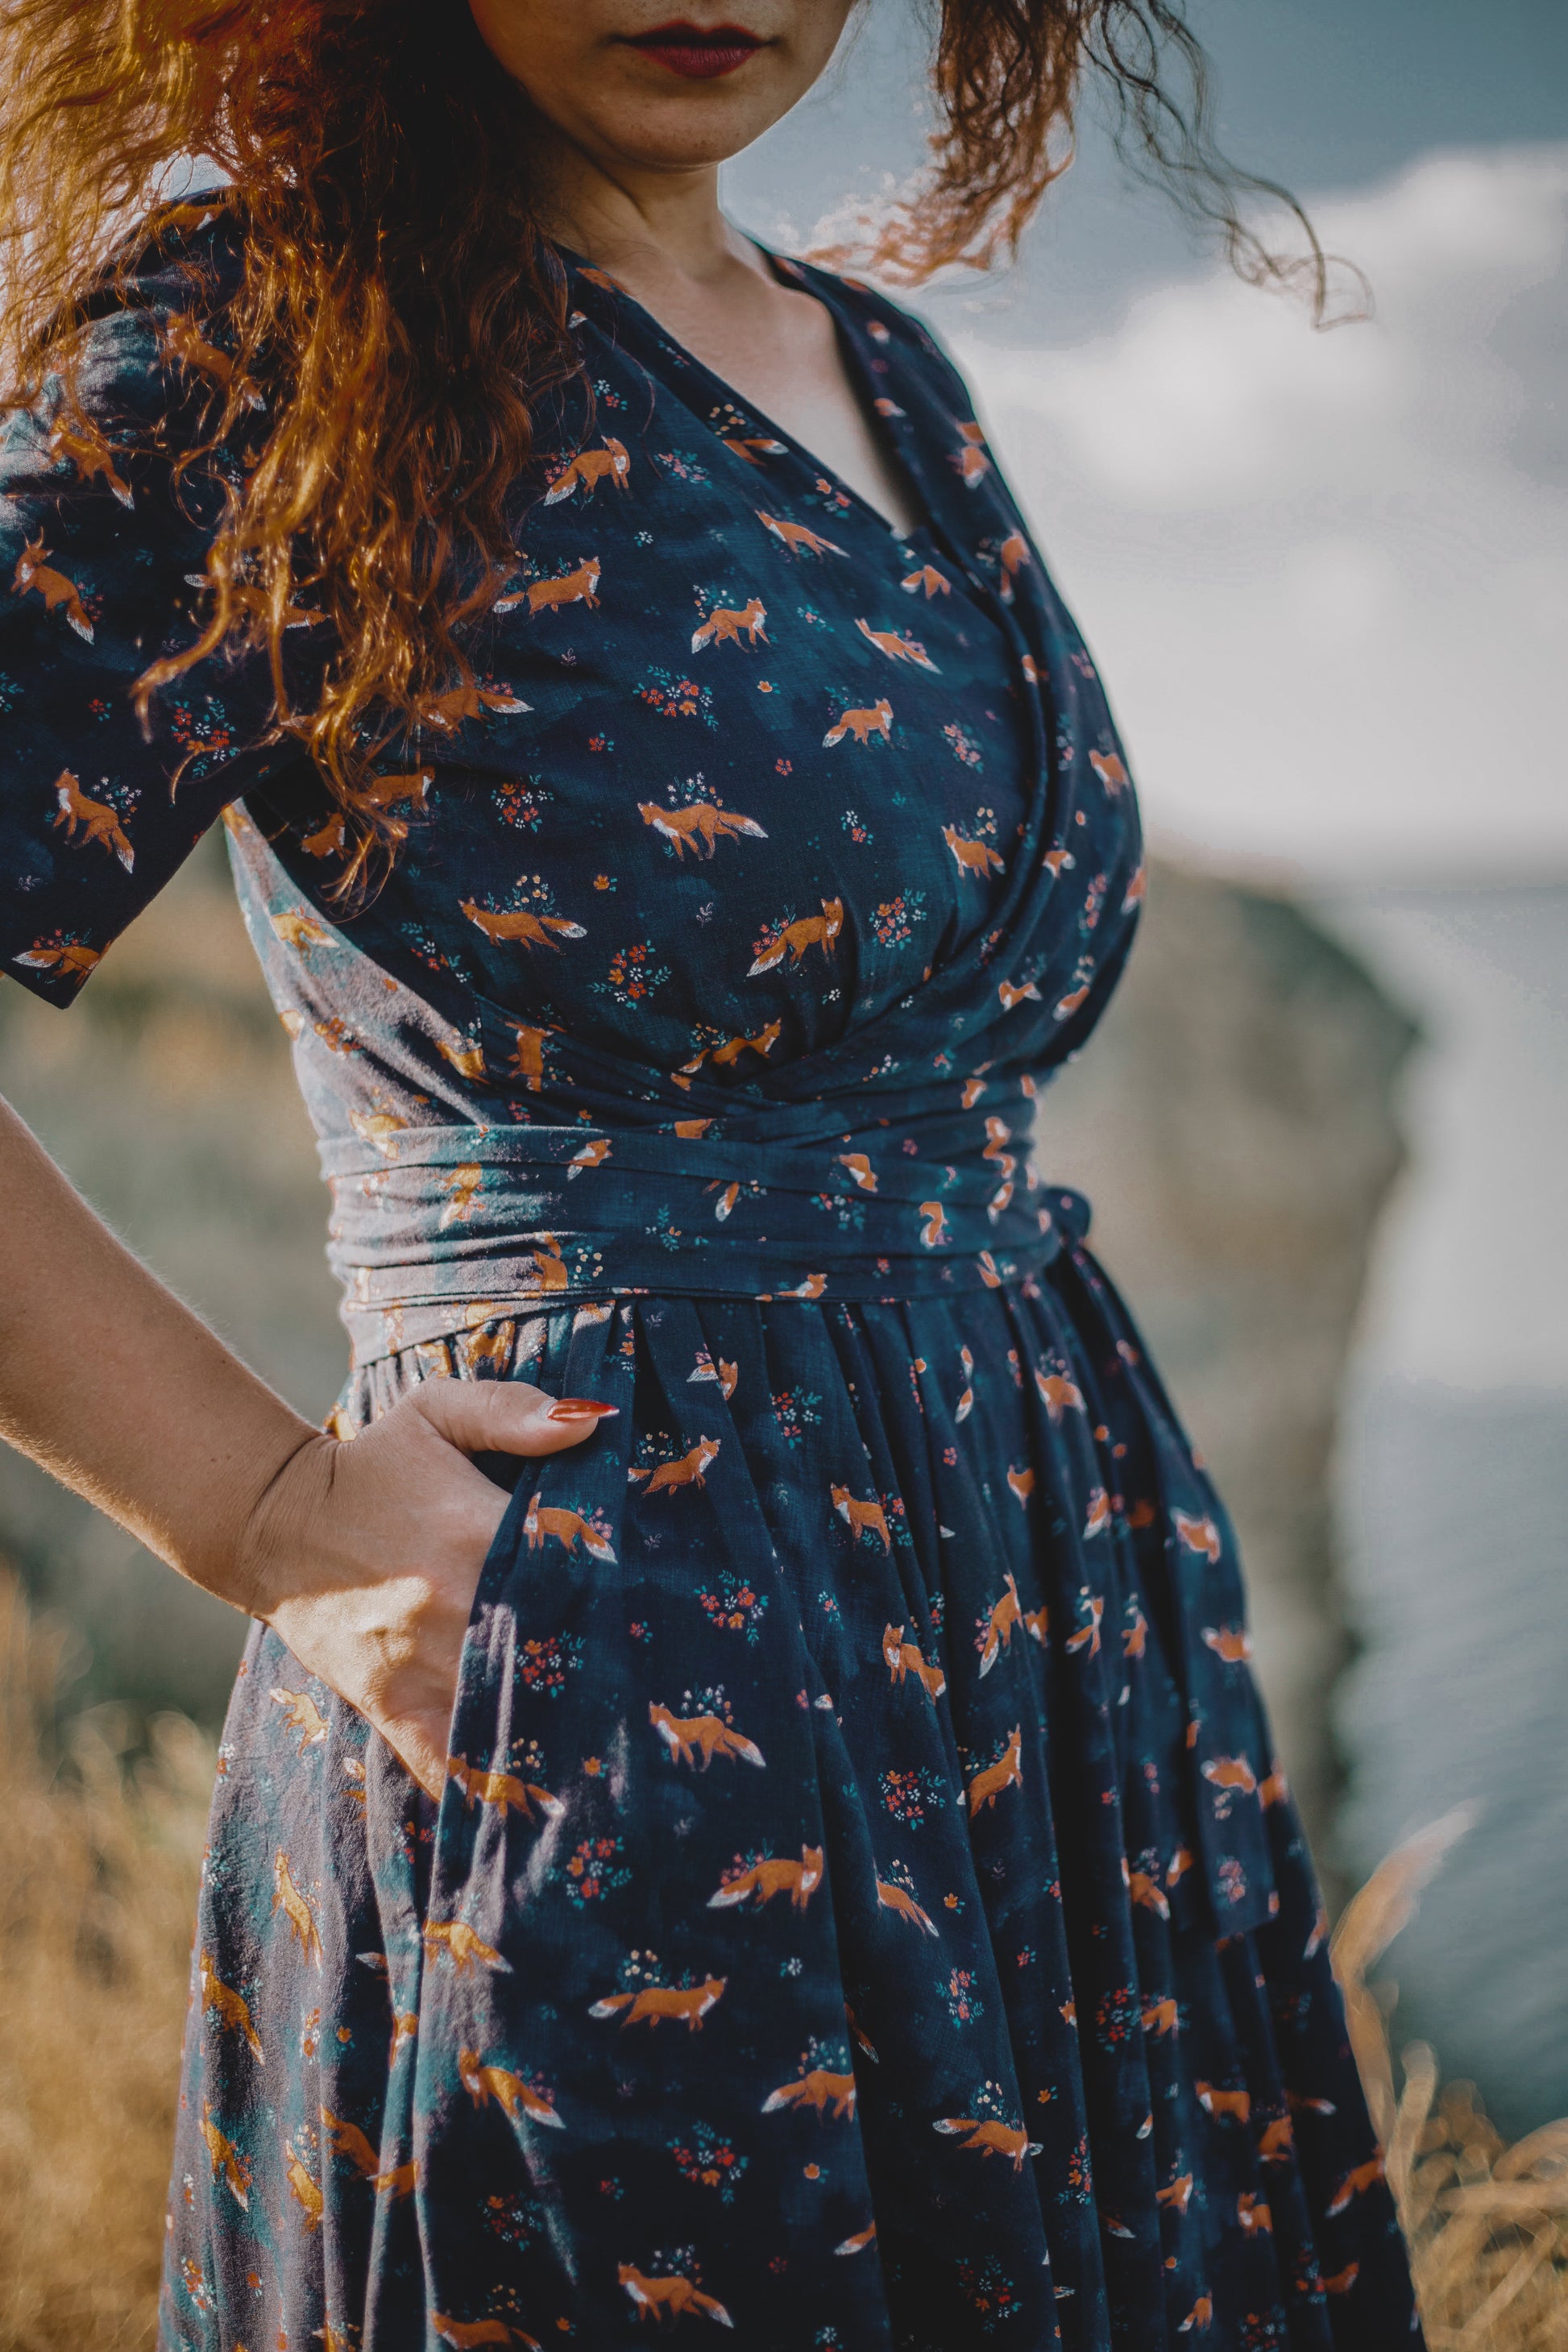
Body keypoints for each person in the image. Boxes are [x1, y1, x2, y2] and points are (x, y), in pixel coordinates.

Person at [0, 4, 1423, 2346]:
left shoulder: (885, 367)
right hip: (618, 1645)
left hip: (1039, 1614)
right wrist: (258, 1511)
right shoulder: (255, 341)